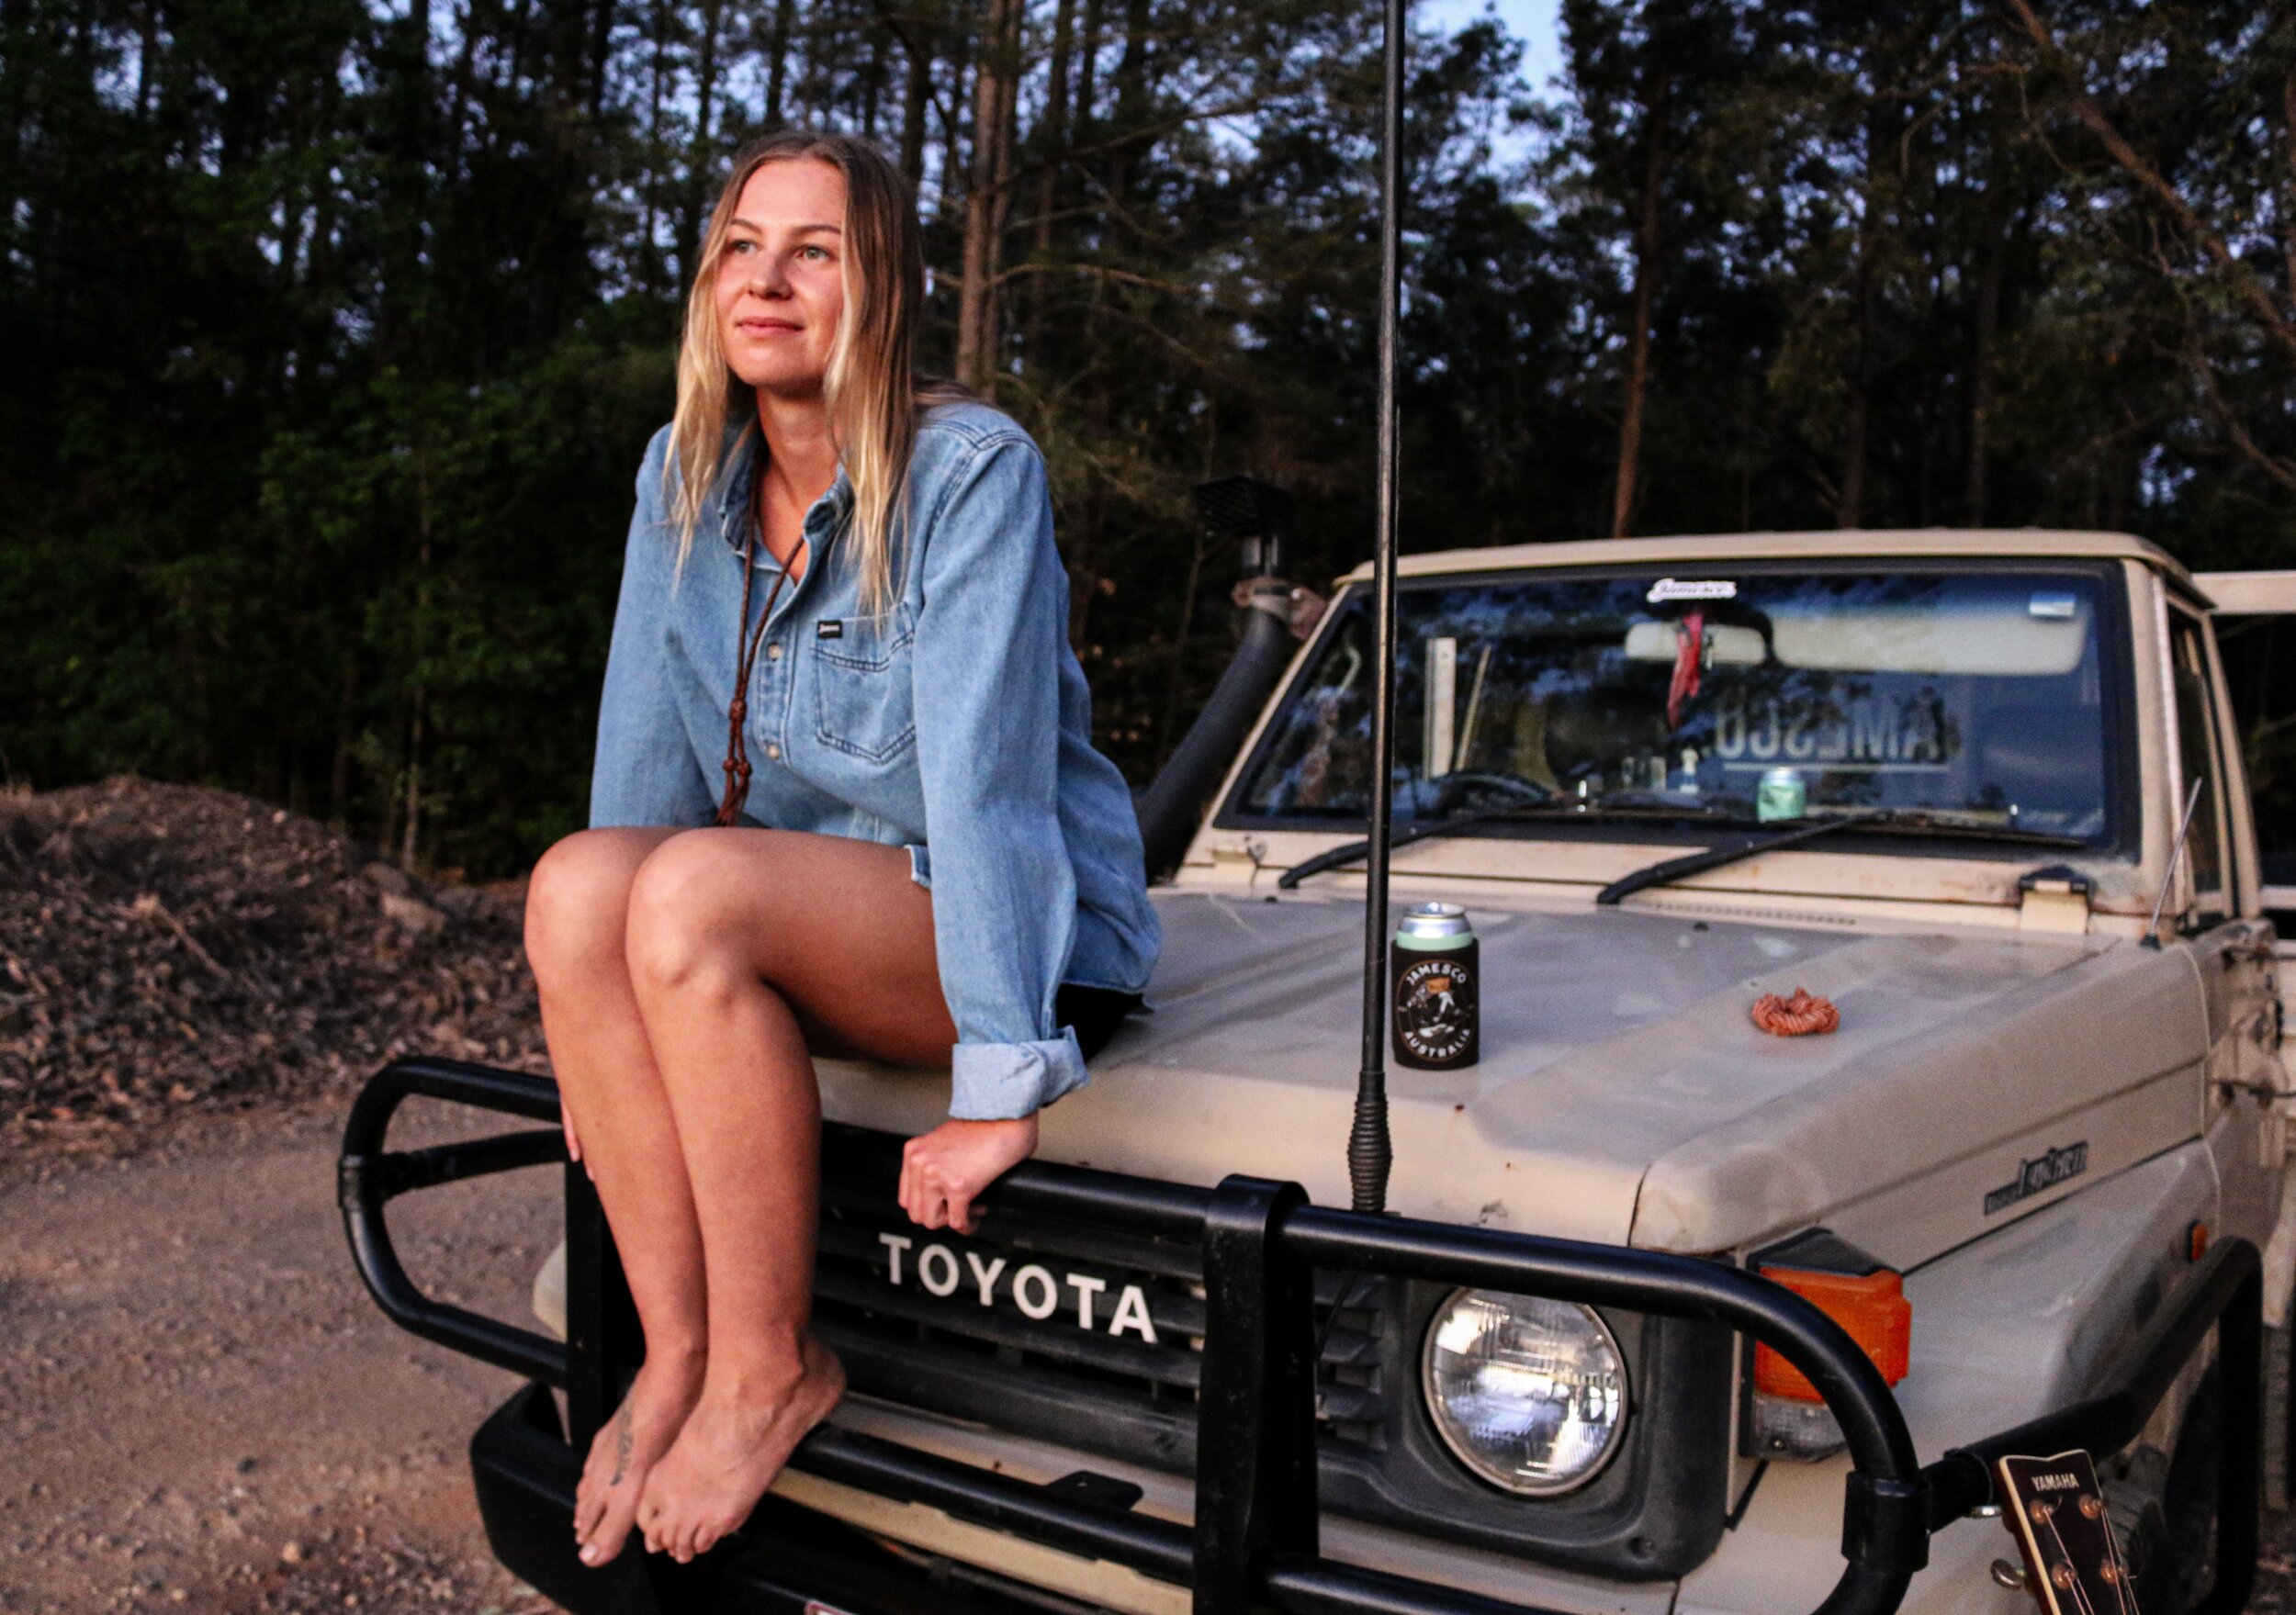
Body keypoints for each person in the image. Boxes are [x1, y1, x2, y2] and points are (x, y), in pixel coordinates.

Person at [521, 129, 1160, 1572]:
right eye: (744, 248)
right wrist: (594, 1026)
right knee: (575, 879)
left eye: (815, 251)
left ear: (881, 289)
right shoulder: (680, 477)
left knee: (687, 886)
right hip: (803, 919)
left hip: (1012, 938)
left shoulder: (971, 472)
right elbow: (639, 766)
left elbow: (992, 793)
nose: (769, 280)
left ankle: (772, 1371)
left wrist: (1006, 1075)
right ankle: (677, 1358)